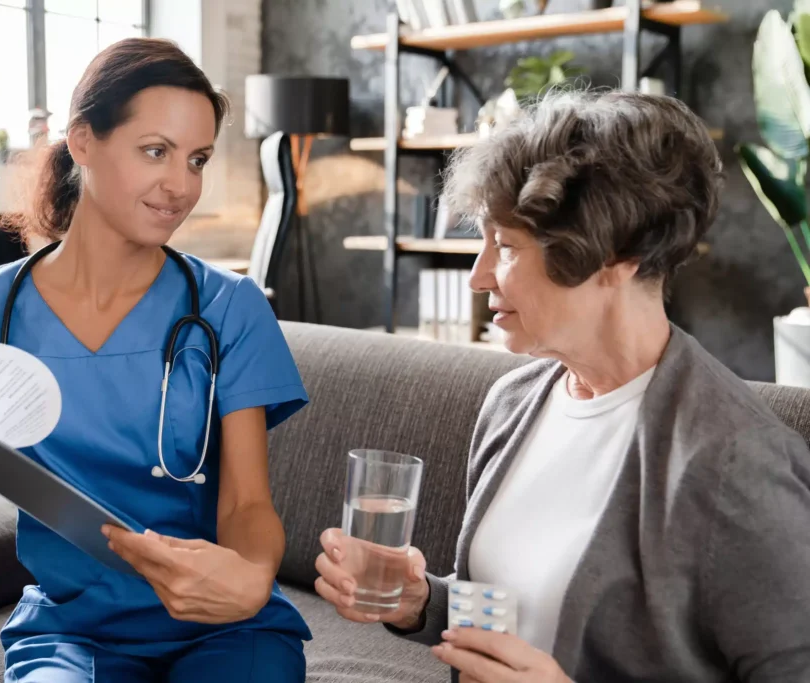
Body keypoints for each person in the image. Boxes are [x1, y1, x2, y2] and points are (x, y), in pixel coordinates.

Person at [0, 38, 310, 682]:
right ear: (84, 142)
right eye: (156, 151)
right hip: (73, 632)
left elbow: (246, 508)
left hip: (223, 627)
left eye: (197, 159)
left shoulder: (229, 307)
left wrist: (252, 578)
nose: (180, 185)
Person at [314, 89, 810, 682]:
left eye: (507, 246)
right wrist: (421, 600)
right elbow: (515, 615)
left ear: (616, 256)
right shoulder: (514, 403)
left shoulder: (736, 464)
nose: (477, 276)